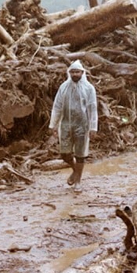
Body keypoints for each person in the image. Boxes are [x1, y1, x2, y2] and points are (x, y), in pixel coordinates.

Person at [49, 60, 99, 189]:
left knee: (80, 154)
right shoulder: (63, 87)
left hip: (82, 125)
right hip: (66, 124)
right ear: (69, 73)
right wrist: (53, 125)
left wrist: (93, 128)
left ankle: (78, 181)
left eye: (77, 72)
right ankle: (75, 170)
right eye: (73, 72)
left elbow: (92, 108)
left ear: (82, 73)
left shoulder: (89, 88)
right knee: (65, 153)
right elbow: (57, 106)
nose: (75, 74)